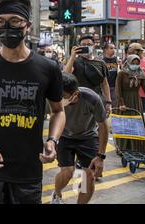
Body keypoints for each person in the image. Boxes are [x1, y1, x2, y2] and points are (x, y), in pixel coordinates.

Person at [0, 0, 66, 204]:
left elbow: (58, 111)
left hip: (28, 168)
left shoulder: (48, 68)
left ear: (27, 26)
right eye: (0, 21)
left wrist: (52, 140)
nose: (7, 27)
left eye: (15, 21)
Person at [51, 72, 108, 204]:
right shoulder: (55, 99)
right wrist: (51, 141)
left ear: (75, 94)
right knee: (68, 171)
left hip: (87, 136)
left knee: (89, 176)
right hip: (64, 136)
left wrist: (101, 156)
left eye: (63, 96)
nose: (60, 99)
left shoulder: (92, 99)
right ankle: (57, 194)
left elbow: (103, 126)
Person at [115, 54, 145, 152]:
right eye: (133, 63)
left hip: (136, 101)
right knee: (125, 125)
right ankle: (123, 148)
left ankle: (138, 148)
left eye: (137, 63)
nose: (135, 65)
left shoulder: (141, 73)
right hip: (124, 101)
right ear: (128, 62)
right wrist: (121, 104)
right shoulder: (122, 73)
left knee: (137, 124)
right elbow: (118, 89)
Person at [65, 35, 112, 115]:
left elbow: (104, 84)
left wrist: (108, 102)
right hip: (78, 101)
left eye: (89, 44)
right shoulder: (74, 62)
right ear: (79, 46)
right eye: (83, 45)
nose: (86, 46)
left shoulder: (101, 63)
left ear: (93, 46)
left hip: (96, 100)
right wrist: (72, 57)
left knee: (98, 124)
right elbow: (66, 75)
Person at [127, 43, 145, 114]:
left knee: (141, 116)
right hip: (129, 94)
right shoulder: (128, 61)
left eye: (132, 52)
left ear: (138, 51)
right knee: (130, 115)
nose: (130, 54)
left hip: (142, 95)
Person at [102, 42, 120, 107]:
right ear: (105, 50)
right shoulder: (101, 61)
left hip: (114, 87)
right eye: (111, 48)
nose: (114, 50)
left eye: (114, 48)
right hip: (104, 87)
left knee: (114, 106)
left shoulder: (117, 60)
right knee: (105, 106)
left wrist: (120, 66)